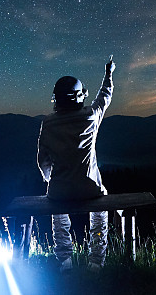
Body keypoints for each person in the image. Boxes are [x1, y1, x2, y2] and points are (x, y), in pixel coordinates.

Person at [37, 56, 115, 272]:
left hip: (60, 190)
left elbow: (43, 159)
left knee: (58, 213)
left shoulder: (48, 123)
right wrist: (108, 74)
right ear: (79, 97)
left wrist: (50, 179)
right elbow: (105, 97)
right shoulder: (91, 116)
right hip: (90, 189)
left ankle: (64, 260)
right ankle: (96, 261)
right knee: (100, 212)